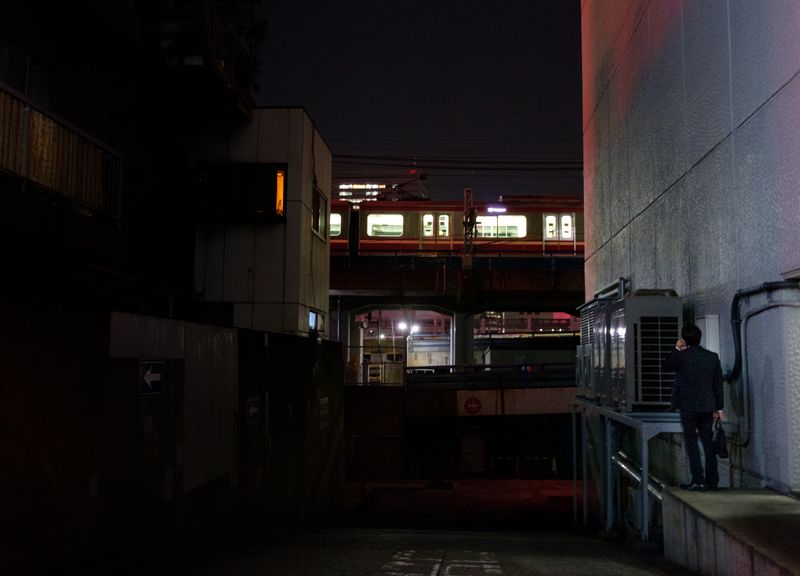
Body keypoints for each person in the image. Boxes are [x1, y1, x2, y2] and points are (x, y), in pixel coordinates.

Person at [663, 324, 724, 491]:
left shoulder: (682, 357)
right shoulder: (712, 357)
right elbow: (718, 384)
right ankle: (712, 481)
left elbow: (666, 365)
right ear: (700, 338)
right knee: (708, 443)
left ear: (684, 340)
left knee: (692, 443)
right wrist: (719, 408)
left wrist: (677, 348)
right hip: (707, 405)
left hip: (688, 406)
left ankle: (698, 479)